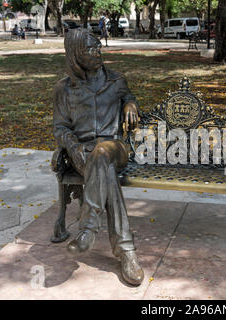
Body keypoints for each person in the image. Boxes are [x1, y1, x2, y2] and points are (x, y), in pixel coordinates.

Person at [53, 28, 144, 286]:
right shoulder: (63, 89)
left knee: (102, 153)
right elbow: (60, 128)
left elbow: (130, 97)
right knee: (103, 170)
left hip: (115, 148)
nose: (98, 52)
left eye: (98, 46)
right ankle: (126, 252)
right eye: (91, 49)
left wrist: (130, 104)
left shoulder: (116, 80)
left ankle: (88, 228)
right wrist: (72, 147)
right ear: (75, 54)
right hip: (82, 154)